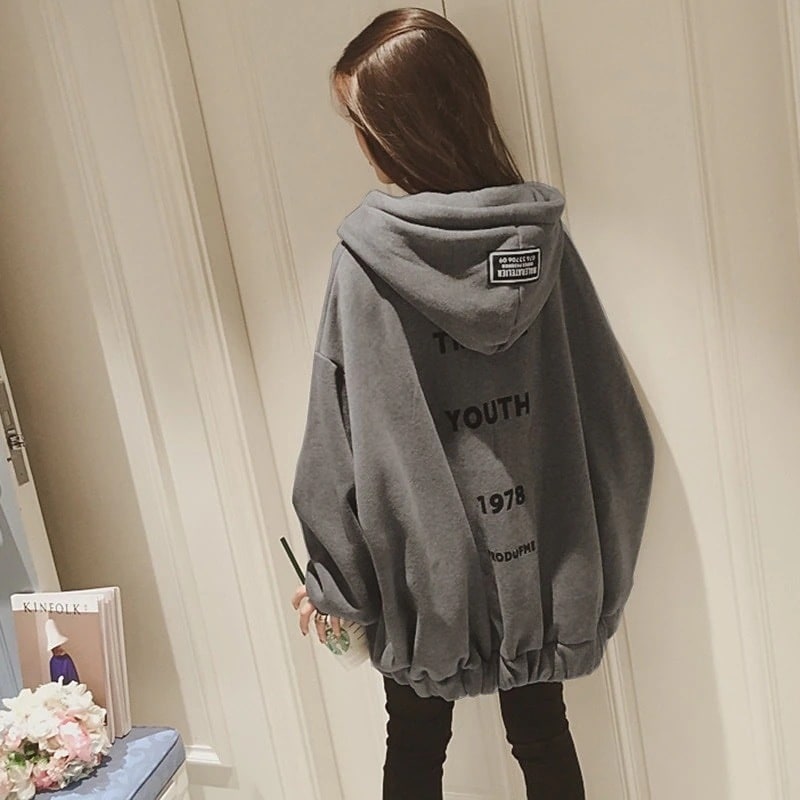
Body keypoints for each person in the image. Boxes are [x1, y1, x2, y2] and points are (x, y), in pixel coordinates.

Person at [290, 8, 655, 799]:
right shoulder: (540, 246)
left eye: (361, 121)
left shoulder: (365, 262)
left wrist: (336, 583)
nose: (361, 141)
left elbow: (333, 442)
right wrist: (597, 569)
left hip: (424, 583)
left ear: (401, 128)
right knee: (544, 736)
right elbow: (617, 428)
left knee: (414, 748)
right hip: (544, 565)